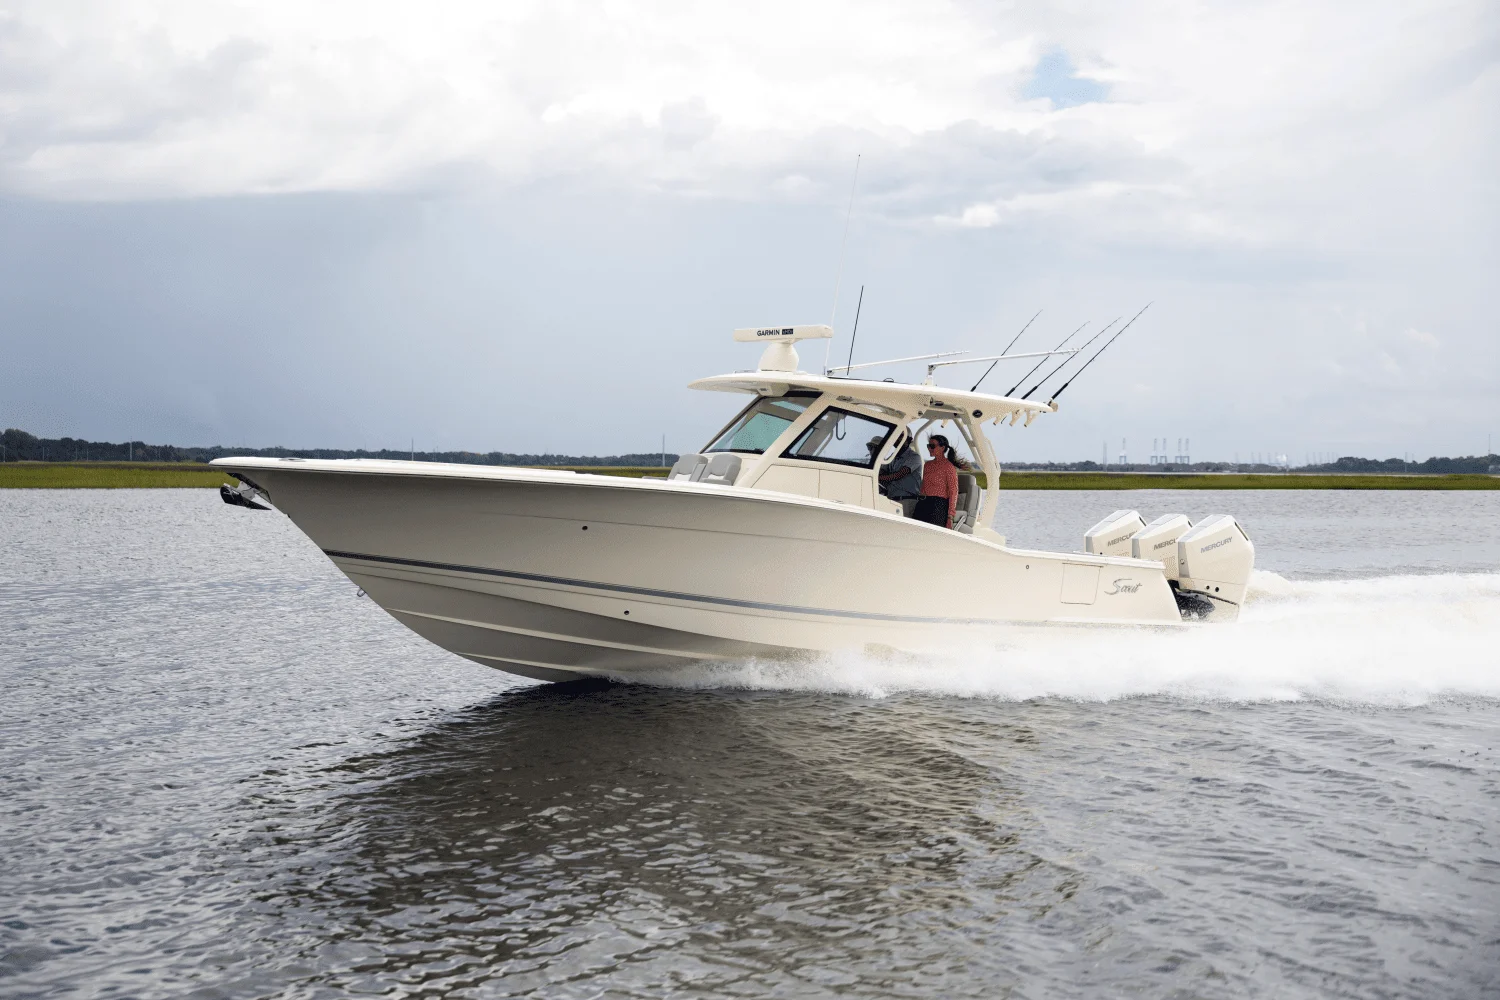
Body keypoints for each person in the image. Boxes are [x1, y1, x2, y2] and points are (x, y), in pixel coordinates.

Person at [913, 434, 962, 528]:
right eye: (928, 446)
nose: (929, 449)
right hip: (922, 503)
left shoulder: (949, 467)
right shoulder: (927, 465)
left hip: (938, 506)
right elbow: (923, 487)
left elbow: (953, 492)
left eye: (932, 446)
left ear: (942, 448)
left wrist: (950, 516)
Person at [875, 433, 923, 503]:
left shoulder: (914, 457)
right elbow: (881, 470)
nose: (897, 439)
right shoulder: (893, 456)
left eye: (901, 437)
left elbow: (898, 475)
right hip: (892, 499)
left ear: (908, 440)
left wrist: (877, 478)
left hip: (907, 499)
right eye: (896, 436)